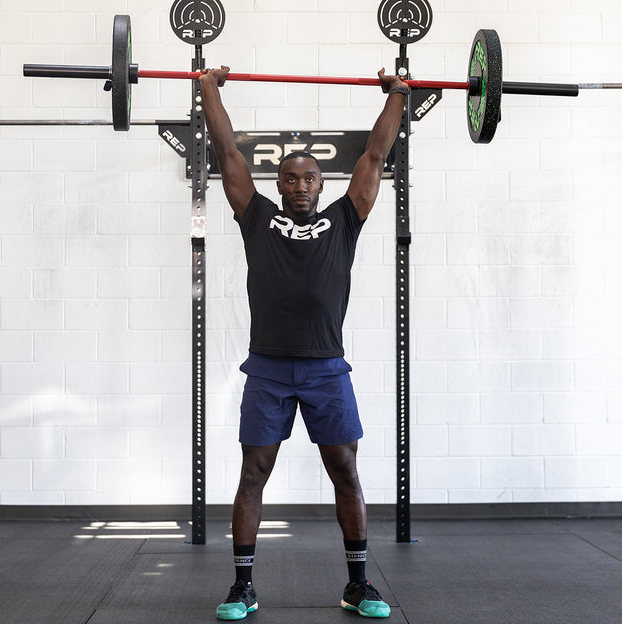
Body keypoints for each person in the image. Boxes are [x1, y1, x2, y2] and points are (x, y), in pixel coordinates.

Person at [198, 65, 408, 621]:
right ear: (278, 185)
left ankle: (358, 585)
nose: (298, 184)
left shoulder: (345, 219)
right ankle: (243, 587)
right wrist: (208, 90)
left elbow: (374, 157)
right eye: (289, 178)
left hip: (326, 370)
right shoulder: (257, 219)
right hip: (267, 369)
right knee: (253, 474)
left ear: (321, 183)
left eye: (308, 177)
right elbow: (227, 156)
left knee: (345, 470)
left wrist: (398, 94)